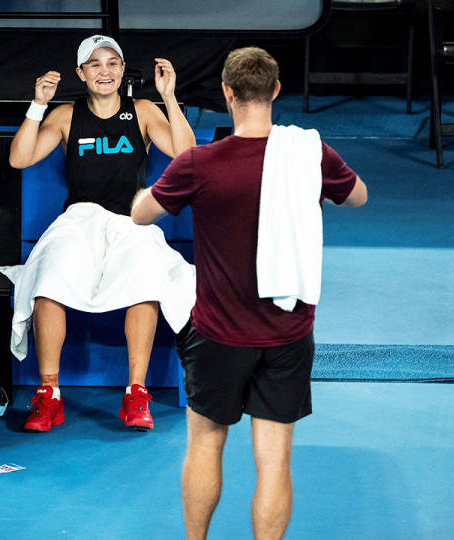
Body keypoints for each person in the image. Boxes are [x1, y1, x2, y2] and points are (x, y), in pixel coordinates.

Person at [131, 46, 367, 539]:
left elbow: (141, 213)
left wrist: (145, 191)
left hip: (218, 334)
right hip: (287, 334)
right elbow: (358, 196)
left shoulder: (199, 163)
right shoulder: (309, 154)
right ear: (276, 92)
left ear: (227, 94)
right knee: (275, 460)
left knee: (204, 446)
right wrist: (309, 185)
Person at [1, 34, 197, 432]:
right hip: (80, 218)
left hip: (131, 220)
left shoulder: (142, 110)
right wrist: (39, 104)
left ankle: (136, 393)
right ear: (81, 73)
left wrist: (169, 96)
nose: (104, 71)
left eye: (112, 63)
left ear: (122, 70)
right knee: (49, 276)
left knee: (144, 278)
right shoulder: (65, 115)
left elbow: (185, 152)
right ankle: (49, 395)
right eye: (94, 64)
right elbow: (19, 158)